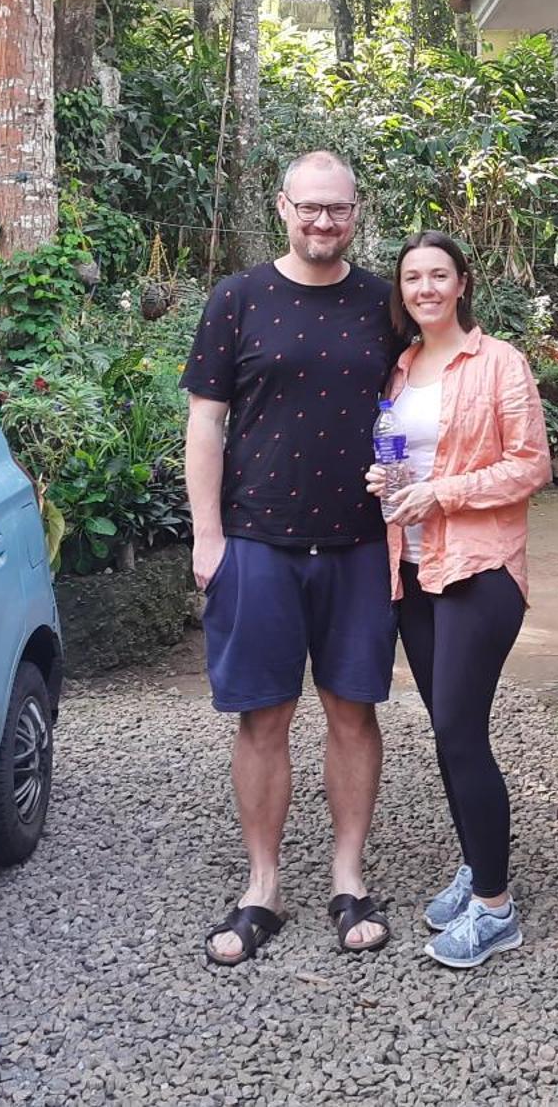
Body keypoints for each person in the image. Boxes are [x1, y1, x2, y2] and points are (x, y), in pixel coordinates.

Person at [183, 151, 403, 965]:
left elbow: (424, 405)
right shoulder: (238, 299)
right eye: (309, 208)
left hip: (358, 545)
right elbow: (206, 422)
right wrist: (208, 537)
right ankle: (263, 886)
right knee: (262, 716)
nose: (322, 222)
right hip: (256, 542)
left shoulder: (386, 304)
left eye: (337, 209)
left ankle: (349, 877)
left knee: (353, 711)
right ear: (282, 207)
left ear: (356, 212)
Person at [364, 230, 550, 969]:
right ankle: (478, 867)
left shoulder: (499, 361)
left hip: (480, 569)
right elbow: (396, 455)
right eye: (413, 277)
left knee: (463, 735)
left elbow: (528, 465)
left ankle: (497, 908)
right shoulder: (401, 368)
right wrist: (387, 482)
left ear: (463, 282)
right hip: (411, 572)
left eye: (439, 275)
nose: (426, 288)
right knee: (447, 731)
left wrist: (440, 493)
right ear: (402, 290)